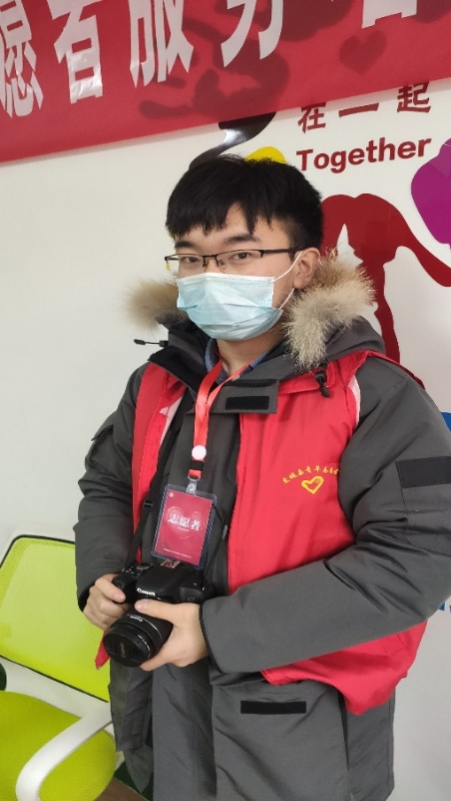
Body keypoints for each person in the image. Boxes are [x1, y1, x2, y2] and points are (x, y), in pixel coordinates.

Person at [75, 155, 451, 801]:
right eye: (190, 257)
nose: (208, 275)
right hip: (159, 689)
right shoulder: (158, 382)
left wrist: (218, 630)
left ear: (303, 265)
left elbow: (420, 555)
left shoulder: (372, 394)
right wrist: (101, 573)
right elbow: (107, 484)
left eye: (239, 254)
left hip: (294, 716)